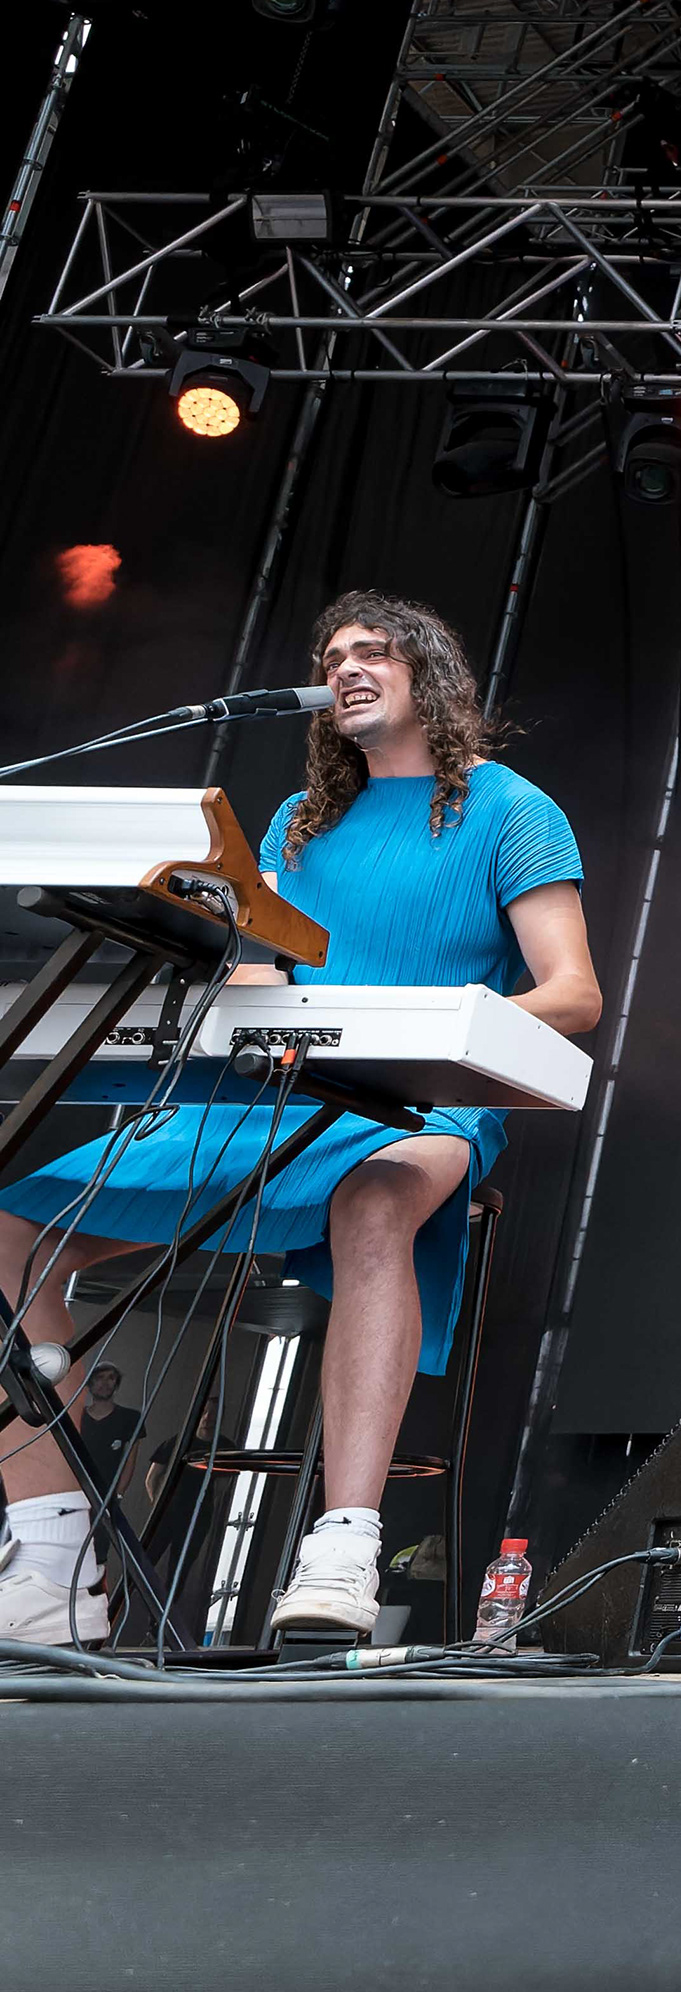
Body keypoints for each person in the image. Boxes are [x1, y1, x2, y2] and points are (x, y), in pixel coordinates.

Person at [0, 593, 597, 1646]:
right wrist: (244, 980)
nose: (347, 667)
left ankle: (344, 1547)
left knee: (374, 1202)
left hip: (424, 1102)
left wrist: (447, 1018)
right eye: (332, 657)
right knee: (11, 1228)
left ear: (429, 672)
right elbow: (266, 970)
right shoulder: (297, 821)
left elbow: (574, 994)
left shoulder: (511, 809)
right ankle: (53, 1556)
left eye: (374, 651)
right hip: (275, 1095)